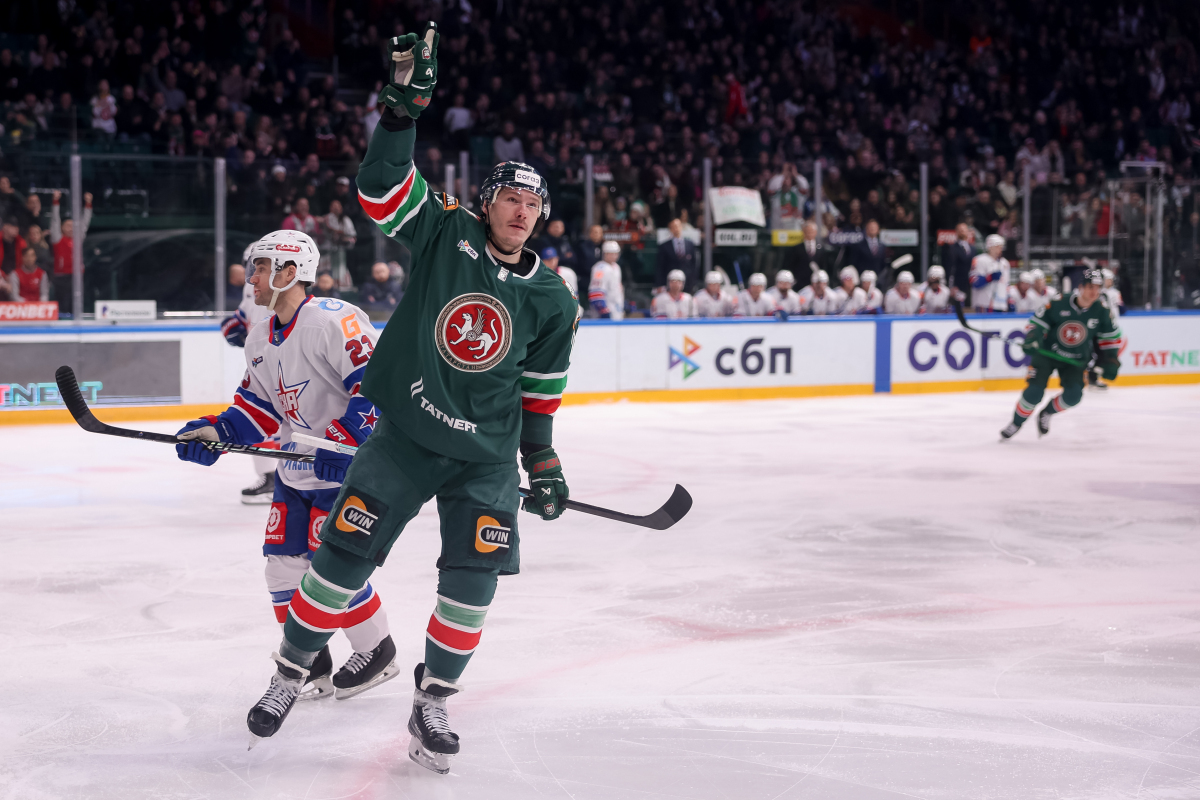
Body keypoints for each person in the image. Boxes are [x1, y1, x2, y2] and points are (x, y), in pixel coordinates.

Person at [243, 28, 580, 777]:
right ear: (488, 203)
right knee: (339, 557)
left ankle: (433, 700)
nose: (522, 211)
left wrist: (543, 463)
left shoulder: (555, 298)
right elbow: (381, 190)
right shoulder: (446, 232)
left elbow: (539, 392)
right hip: (404, 439)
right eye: (511, 198)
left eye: (534, 203)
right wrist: (400, 114)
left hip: (486, 459)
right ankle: (290, 672)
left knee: (472, 586)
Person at [176, 230, 398, 706]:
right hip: (296, 473)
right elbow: (257, 409)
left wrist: (346, 439)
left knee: (329, 571)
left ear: (290, 271)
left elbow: (379, 384)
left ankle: (376, 648)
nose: (251, 278)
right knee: (281, 570)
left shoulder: (334, 320)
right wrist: (217, 433)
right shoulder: (259, 336)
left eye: (260, 268)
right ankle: (310, 658)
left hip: (347, 472)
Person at [1000, 268, 1122, 439]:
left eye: (1098, 288)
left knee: (1073, 396)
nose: (1094, 292)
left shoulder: (1102, 311)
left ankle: (1047, 412)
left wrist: (1110, 360)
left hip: (1076, 360)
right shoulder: (1059, 302)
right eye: (1090, 287)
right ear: (1081, 287)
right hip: (1047, 355)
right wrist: (1033, 339)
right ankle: (1016, 423)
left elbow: (1110, 339)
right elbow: (1037, 324)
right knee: (1033, 393)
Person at [220, 244, 281, 504]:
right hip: (260, 362)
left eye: (260, 266)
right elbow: (246, 312)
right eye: (252, 265)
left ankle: (280, 478)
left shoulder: (280, 290)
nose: (253, 273)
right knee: (259, 415)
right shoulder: (252, 286)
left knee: (276, 420)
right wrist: (235, 322)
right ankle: (270, 477)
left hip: (279, 361)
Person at [49, 191, 92, 311]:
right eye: (68, 225)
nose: (71, 228)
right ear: (62, 227)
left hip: (77, 276)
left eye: (73, 226)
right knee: (62, 303)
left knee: (76, 303)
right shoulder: (57, 238)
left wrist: (88, 204)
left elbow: (85, 223)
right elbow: (55, 220)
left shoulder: (78, 238)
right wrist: (55, 202)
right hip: (61, 276)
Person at [654, 218, 700, 292]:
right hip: (671, 283)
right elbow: (660, 266)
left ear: (681, 227)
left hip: (687, 283)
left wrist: (693, 282)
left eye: (678, 226)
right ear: (670, 229)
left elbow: (693, 264)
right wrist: (660, 284)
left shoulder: (690, 244)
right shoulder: (664, 246)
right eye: (673, 227)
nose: (676, 229)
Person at [969, 234, 1010, 311]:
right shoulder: (979, 260)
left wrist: (1009, 299)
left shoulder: (1005, 263)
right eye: (997, 246)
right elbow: (973, 281)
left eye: (1001, 247)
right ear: (990, 247)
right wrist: (989, 277)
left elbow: (1007, 284)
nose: (1000, 249)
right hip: (983, 304)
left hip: (1001, 305)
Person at [588, 240, 625, 319]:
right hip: (604, 313)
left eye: (616, 253)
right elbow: (595, 292)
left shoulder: (617, 267)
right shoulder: (600, 268)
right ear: (605, 254)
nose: (614, 256)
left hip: (617, 310)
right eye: (611, 253)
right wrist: (603, 310)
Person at [943, 222, 975, 302]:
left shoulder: (973, 249)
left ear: (968, 231)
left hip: (971, 285)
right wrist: (951, 285)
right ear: (956, 232)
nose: (962, 232)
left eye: (964, 230)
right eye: (960, 230)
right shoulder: (951, 248)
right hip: (957, 285)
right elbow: (949, 267)